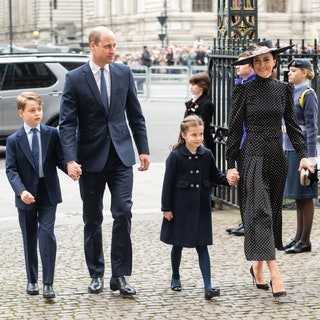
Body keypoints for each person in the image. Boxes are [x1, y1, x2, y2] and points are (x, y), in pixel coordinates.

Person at [59, 26, 150, 296]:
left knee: (123, 212)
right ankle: (96, 274)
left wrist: (142, 149)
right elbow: (67, 124)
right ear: (93, 46)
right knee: (93, 218)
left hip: (121, 157)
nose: (113, 51)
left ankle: (120, 275)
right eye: (108, 46)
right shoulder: (75, 79)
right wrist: (70, 160)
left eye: (114, 45)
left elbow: (136, 114)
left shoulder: (124, 72)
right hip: (90, 159)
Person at [226, 44, 314, 299]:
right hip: (252, 155)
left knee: (272, 212)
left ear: (274, 61)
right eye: (257, 62)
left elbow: (293, 127)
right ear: (252, 66)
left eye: (267, 60)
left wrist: (304, 156)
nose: (262, 65)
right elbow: (233, 131)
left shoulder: (284, 90)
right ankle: (276, 273)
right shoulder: (243, 91)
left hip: (277, 156)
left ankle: (257, 267)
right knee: (261, 211)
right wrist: (231, 165)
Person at [160, 115, 239, 300]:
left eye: (201, 134)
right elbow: (167, 184)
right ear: (184, 135)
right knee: (177, 245)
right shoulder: (175, 156)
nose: (198, 138)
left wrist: (228, 180)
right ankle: (175, 276)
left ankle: (208, 286)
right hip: (181, 208)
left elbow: (215, 175)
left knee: (202, 246)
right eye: (194, 134)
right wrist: (167, 209)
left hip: (201, 209)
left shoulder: (207, 154)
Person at [5, 92, 71, 299]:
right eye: (32, 111)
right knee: (29, 238)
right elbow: (11, 170)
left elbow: (60, 159)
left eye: (39, 110)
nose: (38, 114)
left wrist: (70, 168)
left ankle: (48, 283)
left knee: (47, 235)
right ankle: (32, 280)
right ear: (21, 113)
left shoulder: (52, 134)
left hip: (48, 191)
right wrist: (21, 190)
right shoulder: (14, 140)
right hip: (26, 194)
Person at [282, 58, 318, 254]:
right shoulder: (291, 92)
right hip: (289, 147)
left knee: (306, 195)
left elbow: (312, 128)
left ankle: (305, 240)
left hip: (303, 151)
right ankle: (298, 237)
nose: (289, 73)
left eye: (294, 70)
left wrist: (311, 156)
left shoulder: (307, 94)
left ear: (305, 72)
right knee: (297, 196)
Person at [226, 50, 256, 237]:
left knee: (251, 186)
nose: (237, 66)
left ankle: (250, 222)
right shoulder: (242, 84)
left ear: (251, 65)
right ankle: (245, 220)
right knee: (244, 185)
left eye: (241, 63)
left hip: (251, 142)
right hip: (242, 141)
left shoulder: (253, 85)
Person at [184, 72, 215, 155]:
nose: (191, 87)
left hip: (201, 142)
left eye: (194, 85)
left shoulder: (206, 103)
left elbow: (202, 125)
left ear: (202, 87)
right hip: (190, 139)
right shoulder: (195, 101)